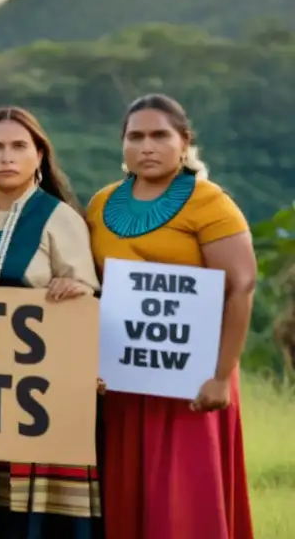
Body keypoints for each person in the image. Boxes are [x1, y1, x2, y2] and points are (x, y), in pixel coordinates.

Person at [88, 94, 256, 539]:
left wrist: (221, 376)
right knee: (128, 493)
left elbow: (241, 287)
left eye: (160, 135)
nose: (147, 146)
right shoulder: (101, 205)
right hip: (124, 380)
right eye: (135, 136)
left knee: (185, 497)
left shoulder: (209, 202)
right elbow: (94, 288)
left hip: (192, 378)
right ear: (122, 146)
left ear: (184, 142)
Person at [0, 107, 102, 539]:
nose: (6, 157)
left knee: (38, 518)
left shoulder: (57, 217)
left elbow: (88, 295)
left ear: (39, 156)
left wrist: (76, 290)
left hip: (40, 393)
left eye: (18, 147)